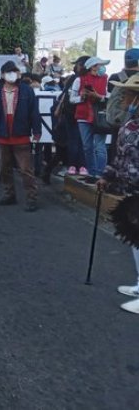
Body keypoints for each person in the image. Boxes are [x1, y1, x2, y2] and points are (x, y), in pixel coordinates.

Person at [96, 74, 139, 313]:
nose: (123, 100)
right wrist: (107, 176)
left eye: (128, 95)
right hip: (130, 190)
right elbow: (120, 157)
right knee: (135, 240)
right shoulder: (128, 125)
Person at [0, 60, 42, 211]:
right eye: (9, 72)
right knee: (4, 168)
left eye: (14, 71)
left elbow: (34, 112)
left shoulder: (27, 91)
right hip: (3, 135)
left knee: (26, 169)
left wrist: (37, 130)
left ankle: (31, 198)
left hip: (21, 135)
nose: (12, 75)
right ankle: (9, 194)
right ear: (3, 75)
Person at [70, 56, 110, 179]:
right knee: (87, 147)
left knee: (100, 147)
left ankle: (100, 174)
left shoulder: (105, 79)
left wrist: (98, 96)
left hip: (100, 116)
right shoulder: (79, 80)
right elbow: (72, 99)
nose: (102, 67)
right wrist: (82, 98)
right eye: (100, 64)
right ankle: (92, 173)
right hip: (83, 116)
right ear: (93, 67)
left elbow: (108, 97)